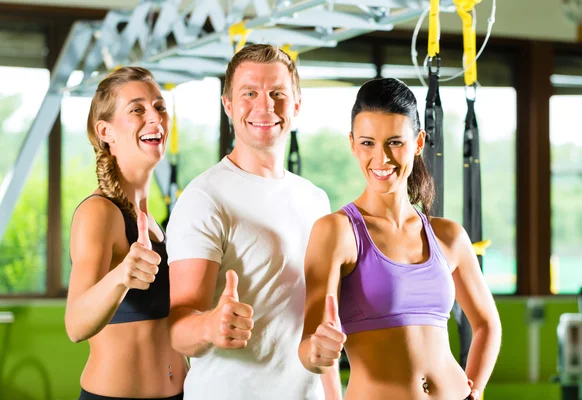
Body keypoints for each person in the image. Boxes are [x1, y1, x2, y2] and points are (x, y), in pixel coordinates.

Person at [298, 78, 502, 400]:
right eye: (368, 143)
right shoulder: (336, 232)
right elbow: (309, 342)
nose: (381, 159)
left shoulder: (448, 236)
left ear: (419, 142)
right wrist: (317, 350)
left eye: (395, 142)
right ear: (352, 144)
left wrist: (475, 390)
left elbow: (487, 325)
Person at [166, 44, 341, 399]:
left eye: (278, 93)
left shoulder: (316, 199)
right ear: (228, 105)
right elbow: (178, 328)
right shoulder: (204, 198)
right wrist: (209, 326)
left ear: (296, 105)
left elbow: (320, 323)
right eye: (250, 93)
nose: (265, 106)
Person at [65, 66, 188, 400]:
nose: (155, 117)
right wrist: (121, 277)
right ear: (105, 131)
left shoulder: (151, 220)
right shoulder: (100, 212)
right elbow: (75, 325)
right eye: (137, 109)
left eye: (160, 106)